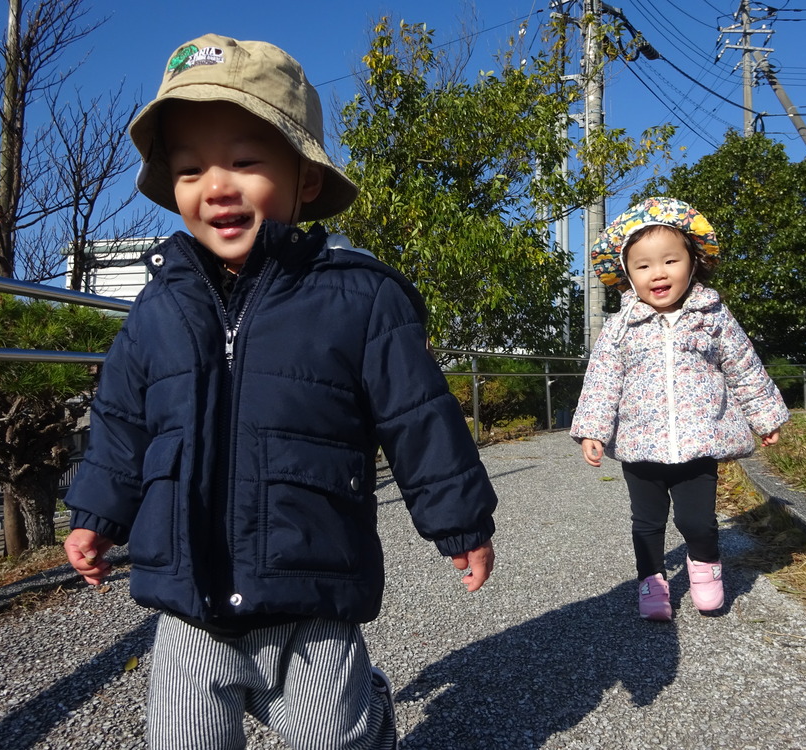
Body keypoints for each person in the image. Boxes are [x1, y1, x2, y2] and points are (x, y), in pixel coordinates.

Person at [62, 34, 497, 750]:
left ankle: (370, 709)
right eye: (191, 168)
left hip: (312, 583)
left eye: (245, 160)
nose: (216, 186)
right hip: (187, 593)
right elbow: (120, 421)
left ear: (307, 179)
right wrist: (96, 514)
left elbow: (419, 417)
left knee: (333, 738)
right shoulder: (159, 306)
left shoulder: (361, 298)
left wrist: (460, 520)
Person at [569, 196, 788, 621]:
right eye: (644, 266)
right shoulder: (621, 327)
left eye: (670, 260)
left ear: (693, 262)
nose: (659, 273)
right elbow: (602, 381)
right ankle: (651, 580)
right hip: (640, 446)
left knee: (697, 521)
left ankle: (704, 569)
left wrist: (765, 415)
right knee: (647, 524)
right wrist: (594, 429)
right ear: (628, 275)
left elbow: (742, 365)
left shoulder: (712, 315)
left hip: (696, 443)